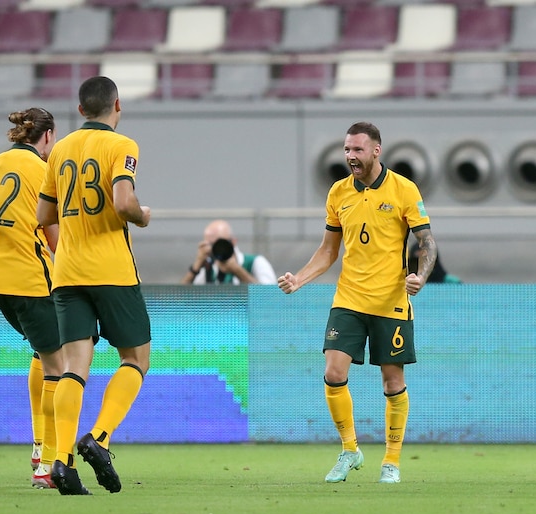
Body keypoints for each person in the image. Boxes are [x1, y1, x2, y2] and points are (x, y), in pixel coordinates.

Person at [278, 121, 437, 484]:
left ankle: (392, 461)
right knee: (334, 373)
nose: (350, 156)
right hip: (348, 298)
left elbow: (427, 242)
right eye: (347, 149)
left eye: (357, 150)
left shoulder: (403, 189)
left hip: (390, 301)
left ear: (376, 150)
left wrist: (420, 276)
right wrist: (300, 278)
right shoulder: (338, 193)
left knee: (392, 381)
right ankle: (350, 450)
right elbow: (329, 250)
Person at [36, 76, 152, 496]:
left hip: (66, 272)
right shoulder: (123, 146)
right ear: (116, 106)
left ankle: (62, 463)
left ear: (81, 109)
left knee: (73, 368)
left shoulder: (60, 149)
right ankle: (99, 438)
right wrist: (141, 216)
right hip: (112, 271)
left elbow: (43, 214)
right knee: (136, 358)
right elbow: (124, 202)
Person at [0, 107, 63, 490]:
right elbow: (53, 229)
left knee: (42, 355)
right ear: (46, 137)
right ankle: (47, 464)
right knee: (61, 366)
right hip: (30, 276)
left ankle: (38, 445)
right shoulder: (44, 170)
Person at [182, 219, 277, 285]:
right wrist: (196, 267)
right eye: (210, 245)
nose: (216, 249)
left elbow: (270, 296)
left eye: (220, 244)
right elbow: (178, 299)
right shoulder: (207, 268)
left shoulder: (255, 262)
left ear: (233, 241)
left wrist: (238, 270)